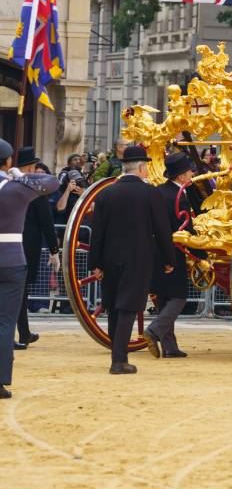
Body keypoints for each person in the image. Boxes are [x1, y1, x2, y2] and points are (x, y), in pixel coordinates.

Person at [88, 145, 176, 374]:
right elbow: (162, 230)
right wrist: (169, 258)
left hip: (109, 257)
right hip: (138, 257)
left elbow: (97, 231)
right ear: (140, 167)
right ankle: (119, 360)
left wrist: (95, 263)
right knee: (128, 306)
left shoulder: (106, 193)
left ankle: (117, 355)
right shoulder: (150, 193)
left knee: (114, 305)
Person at [0, 138, 59, 399]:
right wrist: (20, 176)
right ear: (9, 161)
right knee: (5, 323)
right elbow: (52, 183)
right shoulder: (16, 188)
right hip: (12, 259)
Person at [143, 152, 196, 360]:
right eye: (190, 171)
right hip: (173, 251)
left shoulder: (157, 191)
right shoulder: (178, 197)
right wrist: (202, 254)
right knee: (179, 297)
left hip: (152, 250)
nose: (192, 174)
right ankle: (154, 330)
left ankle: (170, 347)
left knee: (164, 299)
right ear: (181, 176)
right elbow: (186, 229)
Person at [15, 147, 60, 349]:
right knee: (20, 293)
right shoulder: (35, 189)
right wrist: (54, 250)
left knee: (18, 294)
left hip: (10, 246)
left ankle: (24, 331)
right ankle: (21, 333)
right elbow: (46, 222)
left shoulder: (8, 184)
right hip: (26, 247)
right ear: (32, 167)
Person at [54, 153, 88, 224]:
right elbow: (59, 187)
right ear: (69, 163)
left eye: (79, 159)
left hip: (79, 210)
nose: (78, 161)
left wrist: (83, 192)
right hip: (66, 210)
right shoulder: (64, 173)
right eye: (75, 160)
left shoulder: (82, 175)